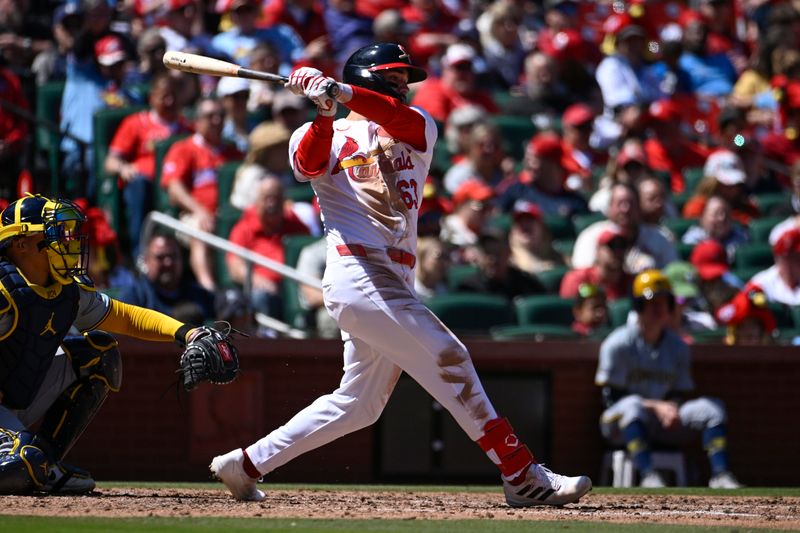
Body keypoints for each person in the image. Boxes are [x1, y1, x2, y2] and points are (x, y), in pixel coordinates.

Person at [209, 43, 592, 507]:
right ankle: (520, 472)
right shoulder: (314, 132)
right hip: (356, 267)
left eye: (403, 81)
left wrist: (339, 91)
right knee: (451, 356)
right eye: (393, 79)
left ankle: (245, 464)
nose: (403, 88)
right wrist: (325, 112)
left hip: (394, 278)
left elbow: (396, 116)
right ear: (367, 76)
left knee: (359, 404)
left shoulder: (418, 127)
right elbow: (308, 165)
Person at [0, 194, 218, 494]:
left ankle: (46, 464)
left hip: (14, 401)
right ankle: (31, 462)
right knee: (21, 466)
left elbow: (125, 317)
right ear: (20, 244)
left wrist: (188, 334)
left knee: (99, 354)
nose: (67, 241)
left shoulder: (67, 291)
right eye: (53, 233)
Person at [595, 269, 742, 489]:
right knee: (633, 407)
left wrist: (672, 408)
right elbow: (612, 398)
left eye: (664, 302)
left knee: (712, 408)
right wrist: (656, 407)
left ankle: (721, 475)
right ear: (638, 306)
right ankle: (648, 475)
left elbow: (679, 392)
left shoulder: (678, 346)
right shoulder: (617, 344)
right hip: (618, 424)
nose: (658, 308)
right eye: (652, 302)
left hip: (663, 420)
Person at [104, 73, 193, 258]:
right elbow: (110, 161)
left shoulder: (187, 128)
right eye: (164, 96)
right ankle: (140, 255)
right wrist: (124, 168)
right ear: (152, 97)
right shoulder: (136, 123)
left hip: (176, 186)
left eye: (173, 96)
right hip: (145, 185)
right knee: (139, 185)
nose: (169, 101)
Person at [160, 97, 244, 291]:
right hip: (193, 216)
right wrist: (200, 211)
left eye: (221, 116)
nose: (216, 121)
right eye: (210, 116)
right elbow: (174, 188)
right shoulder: (184, 148)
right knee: (201, 229)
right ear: (197, 121)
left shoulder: (233, 152)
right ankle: (209, 289)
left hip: (228, 217)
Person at [226, 177, 310, 322]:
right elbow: (235, 265)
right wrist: (258, 280)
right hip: (264, 291)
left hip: (293, 288)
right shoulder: (244, 227)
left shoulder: (296, 225)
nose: (272, 203)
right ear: (257, 202)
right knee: (260, 297)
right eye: (267, 198)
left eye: (276, 198)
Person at [118, 232, 216, 324]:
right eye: (160, 257)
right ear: (146, 260)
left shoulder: (200, 296)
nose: (168, 263)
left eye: (173, 256)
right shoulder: (135, 298)